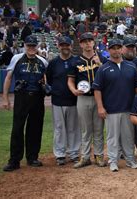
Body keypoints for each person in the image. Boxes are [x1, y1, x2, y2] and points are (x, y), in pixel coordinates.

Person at [92, 39, 137, 172]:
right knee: (112, 137)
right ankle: (113, 161)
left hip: (128, 108)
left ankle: (130, 159)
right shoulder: (103, 68)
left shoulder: (131, 66)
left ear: (122, 49)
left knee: (128, 136)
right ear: (109, 50)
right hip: (111, 109)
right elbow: (97, 89)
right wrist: (100, 107)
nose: (116, 50)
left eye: (118, 48)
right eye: (113, 48)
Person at [2, 35, 49, 172]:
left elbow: (45, 78)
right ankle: (14, 160)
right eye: (29, 45)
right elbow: (8, 78)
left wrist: (45, 86)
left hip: (37, 97)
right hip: (22, 97)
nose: (31, 48)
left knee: (35, 128)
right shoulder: (17, 58)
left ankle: (32, 157)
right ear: (25, 46)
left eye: (34, 46)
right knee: (17, 128)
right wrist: (5, 98)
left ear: (37, 46)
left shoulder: (42, 61)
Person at [68, 32, 108, 169]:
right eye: (84, 41)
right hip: (83, 98)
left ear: (93, 42)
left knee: (98, 129)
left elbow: (109, 77)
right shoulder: (76, 61)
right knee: (85, 130)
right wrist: (73, 90)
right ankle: (85, 157)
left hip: (99, 98)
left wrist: (100, 64)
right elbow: (70, 80)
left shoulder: (102, 58)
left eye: (89, 41)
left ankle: (99, 156)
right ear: (80, 44)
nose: (87, 43)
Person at [46, 36, 80, 166]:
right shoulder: (54, 62)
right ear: (58, 46)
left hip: (73, 100)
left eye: (67, 45)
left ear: (71, 46)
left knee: (73, 128)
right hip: (58, 100)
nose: (65, 47)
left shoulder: (76, 61)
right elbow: (49, 79)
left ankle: (74, 153)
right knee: (59, 128)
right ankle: (60, 154)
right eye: (62, 45)